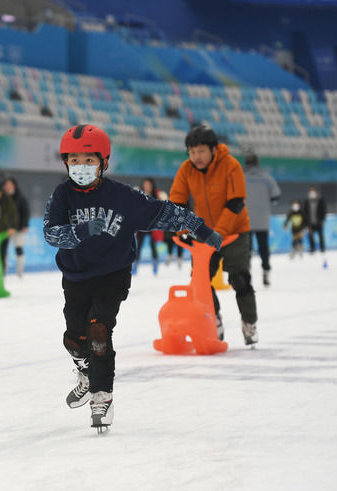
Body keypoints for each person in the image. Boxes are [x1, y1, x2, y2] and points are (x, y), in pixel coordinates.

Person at [43, 124, 222, 431]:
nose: (81, 167)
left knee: (99, 330)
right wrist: (81, 231)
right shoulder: (62, 195)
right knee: (75, 339)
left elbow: (166, 212)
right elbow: (51, 233)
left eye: (89, 160)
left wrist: (201, 228)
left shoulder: (122, 197)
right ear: (65, 163)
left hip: (113, 274)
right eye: (74, 160)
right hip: (75, 276)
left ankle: (102, 395)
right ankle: (84, 371)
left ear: (104, 162)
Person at [169, 124, 258, 347]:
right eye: (191, 152)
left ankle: (249, 322)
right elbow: (178, 201)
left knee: (239, 279)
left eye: (200, 151)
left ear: (213, 149)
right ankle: (214, 317)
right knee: (199, 280)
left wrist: (218, 233)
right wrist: (182, 229)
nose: (196, 157)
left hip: (235, 231)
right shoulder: (186, 170)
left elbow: (236, 202)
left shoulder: (231, 165)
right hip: (204, 231)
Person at [244, 151, 281, 286]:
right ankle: (266, 271)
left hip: (245, 220)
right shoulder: (266, 178)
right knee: (263, 248)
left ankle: (246, 274)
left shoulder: (242, 178)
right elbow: (276, 195)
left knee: (246, 249)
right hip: (262, 220)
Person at [133, 177, 165, 274]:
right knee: (139, 246)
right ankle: (135, 266)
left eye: (149, 185)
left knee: (153, 246)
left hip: (152, 226)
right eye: (145, 184)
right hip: (142, 225)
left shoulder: (157, 195)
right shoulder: (139, 194)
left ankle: (155, 265)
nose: (147, 187)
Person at [4, 176, 30, 277]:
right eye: (6, 184)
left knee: (18, 248)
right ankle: (3, 270)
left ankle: (20, 271)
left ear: (13, 185)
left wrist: (25, 225)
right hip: (5, 228)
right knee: (3, 249)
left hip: (18, 227)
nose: (7, 186)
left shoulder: (20, 197)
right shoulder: (2, 197)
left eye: (9, 184)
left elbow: (25, 212)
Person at [303, 186, 326, 253]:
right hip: (310, 222)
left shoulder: (320, 200)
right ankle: (312, 248)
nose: (312, 193)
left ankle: (322, 248)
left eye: (313, 191)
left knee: (320, 235)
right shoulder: (307, 200)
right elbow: (305, 212)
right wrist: (306, 222)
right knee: (310, 236)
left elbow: (323, 210)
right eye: (311, 191)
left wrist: (322, 220)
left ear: (316, 192)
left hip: (318, 222)